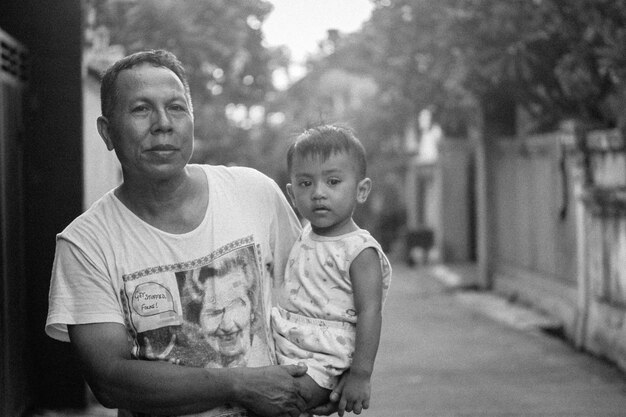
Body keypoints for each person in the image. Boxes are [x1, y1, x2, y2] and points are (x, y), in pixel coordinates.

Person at [45, 49, 336, 417]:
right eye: (141, 109)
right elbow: (109, 379)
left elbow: (319, 298)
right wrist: (241, 385)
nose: (163, 123)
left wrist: (327, 380)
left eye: (177, 108)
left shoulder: (253, 193)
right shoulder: (86, 244)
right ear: (107, 132)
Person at [271, 125, 392, 416]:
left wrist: (360, 375)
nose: (318, 193)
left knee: (280, 401)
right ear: (291, 193)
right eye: (305, 184)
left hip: (324, 359)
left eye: (333, 181)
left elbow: (370, 312)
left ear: (361, 190)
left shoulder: (359, 250)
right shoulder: (303, 232)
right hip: (284, 343)